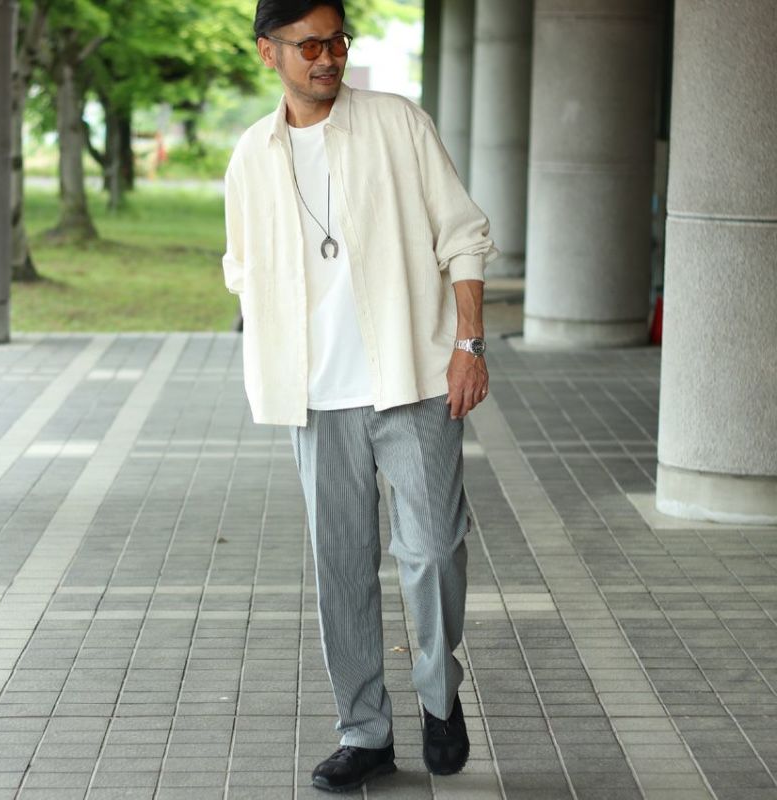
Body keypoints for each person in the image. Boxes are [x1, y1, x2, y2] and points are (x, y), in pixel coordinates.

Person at [222, 0, 497, 792]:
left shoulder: (397, 123)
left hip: (412, 377)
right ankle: (365, 733)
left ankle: (439, 697)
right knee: (341, 566)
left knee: (433, 550)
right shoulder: (252, 155)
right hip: (315, 396)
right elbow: (241, 266)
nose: (328, 57)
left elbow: (463, 234)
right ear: (269, 51)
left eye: (337, 41)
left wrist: (468, 345)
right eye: (309, 45)